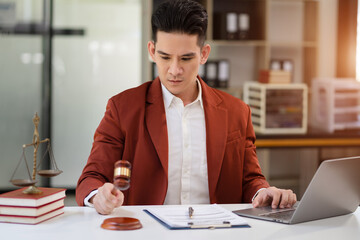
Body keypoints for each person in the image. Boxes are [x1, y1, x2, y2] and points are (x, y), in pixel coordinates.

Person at [76, 0, 296, 215]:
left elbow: (250, 180)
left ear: (204, 54)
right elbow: (91, 177)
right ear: (152, 51)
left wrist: (264, 191)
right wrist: (98, 195)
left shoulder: (237, 112)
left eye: (185, 58)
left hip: (216, 232)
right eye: (165, 57)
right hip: (148, 232)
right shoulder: (122, 108)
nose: (174, 70)